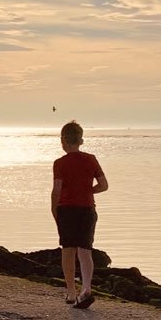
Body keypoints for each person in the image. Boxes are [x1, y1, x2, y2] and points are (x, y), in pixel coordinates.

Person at [51, 121, 108, 309]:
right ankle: (86, 289)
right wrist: (87, 190)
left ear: (63, 141)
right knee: (85, 250)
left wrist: (54, 209)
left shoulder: (60, 163)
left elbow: (57, 190)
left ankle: (71, 292)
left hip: (67, 209)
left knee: (68, 251)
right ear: (81, 140)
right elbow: (103, 185)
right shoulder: (91, 159)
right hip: (87, 209)